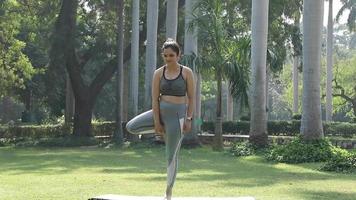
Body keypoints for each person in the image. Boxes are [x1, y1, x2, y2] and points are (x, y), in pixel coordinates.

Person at [126, 38, 195, 200]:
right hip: (160, 112)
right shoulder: (158, 73)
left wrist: (189, 119)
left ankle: (168, 192)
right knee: (131, 126)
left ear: (179, 56)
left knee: (171, 156)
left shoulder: (186, 73)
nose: (168, 58)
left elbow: (192, 98)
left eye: (171, 55)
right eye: (165, 55)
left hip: (178, 118)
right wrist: (157, 123)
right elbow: (155, 99)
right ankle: (162, 130)